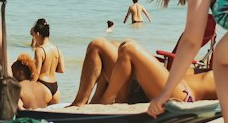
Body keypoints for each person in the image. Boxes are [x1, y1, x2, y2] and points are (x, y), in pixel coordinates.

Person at [71, 32, 217, 106]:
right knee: (106, 45)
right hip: (165, 86)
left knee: (127, 48)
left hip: (180, 96)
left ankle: (107, 99)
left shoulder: (227, 76)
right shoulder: (216, 69)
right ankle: (88, 102)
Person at [29, 17, 65, 102]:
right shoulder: (57, 49)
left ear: (37, 34)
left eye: (34, 35)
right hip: (55, 88)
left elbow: (37, 73)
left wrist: (29, 86)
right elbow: (62, 70)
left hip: (43, 85)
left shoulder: (39, 51)